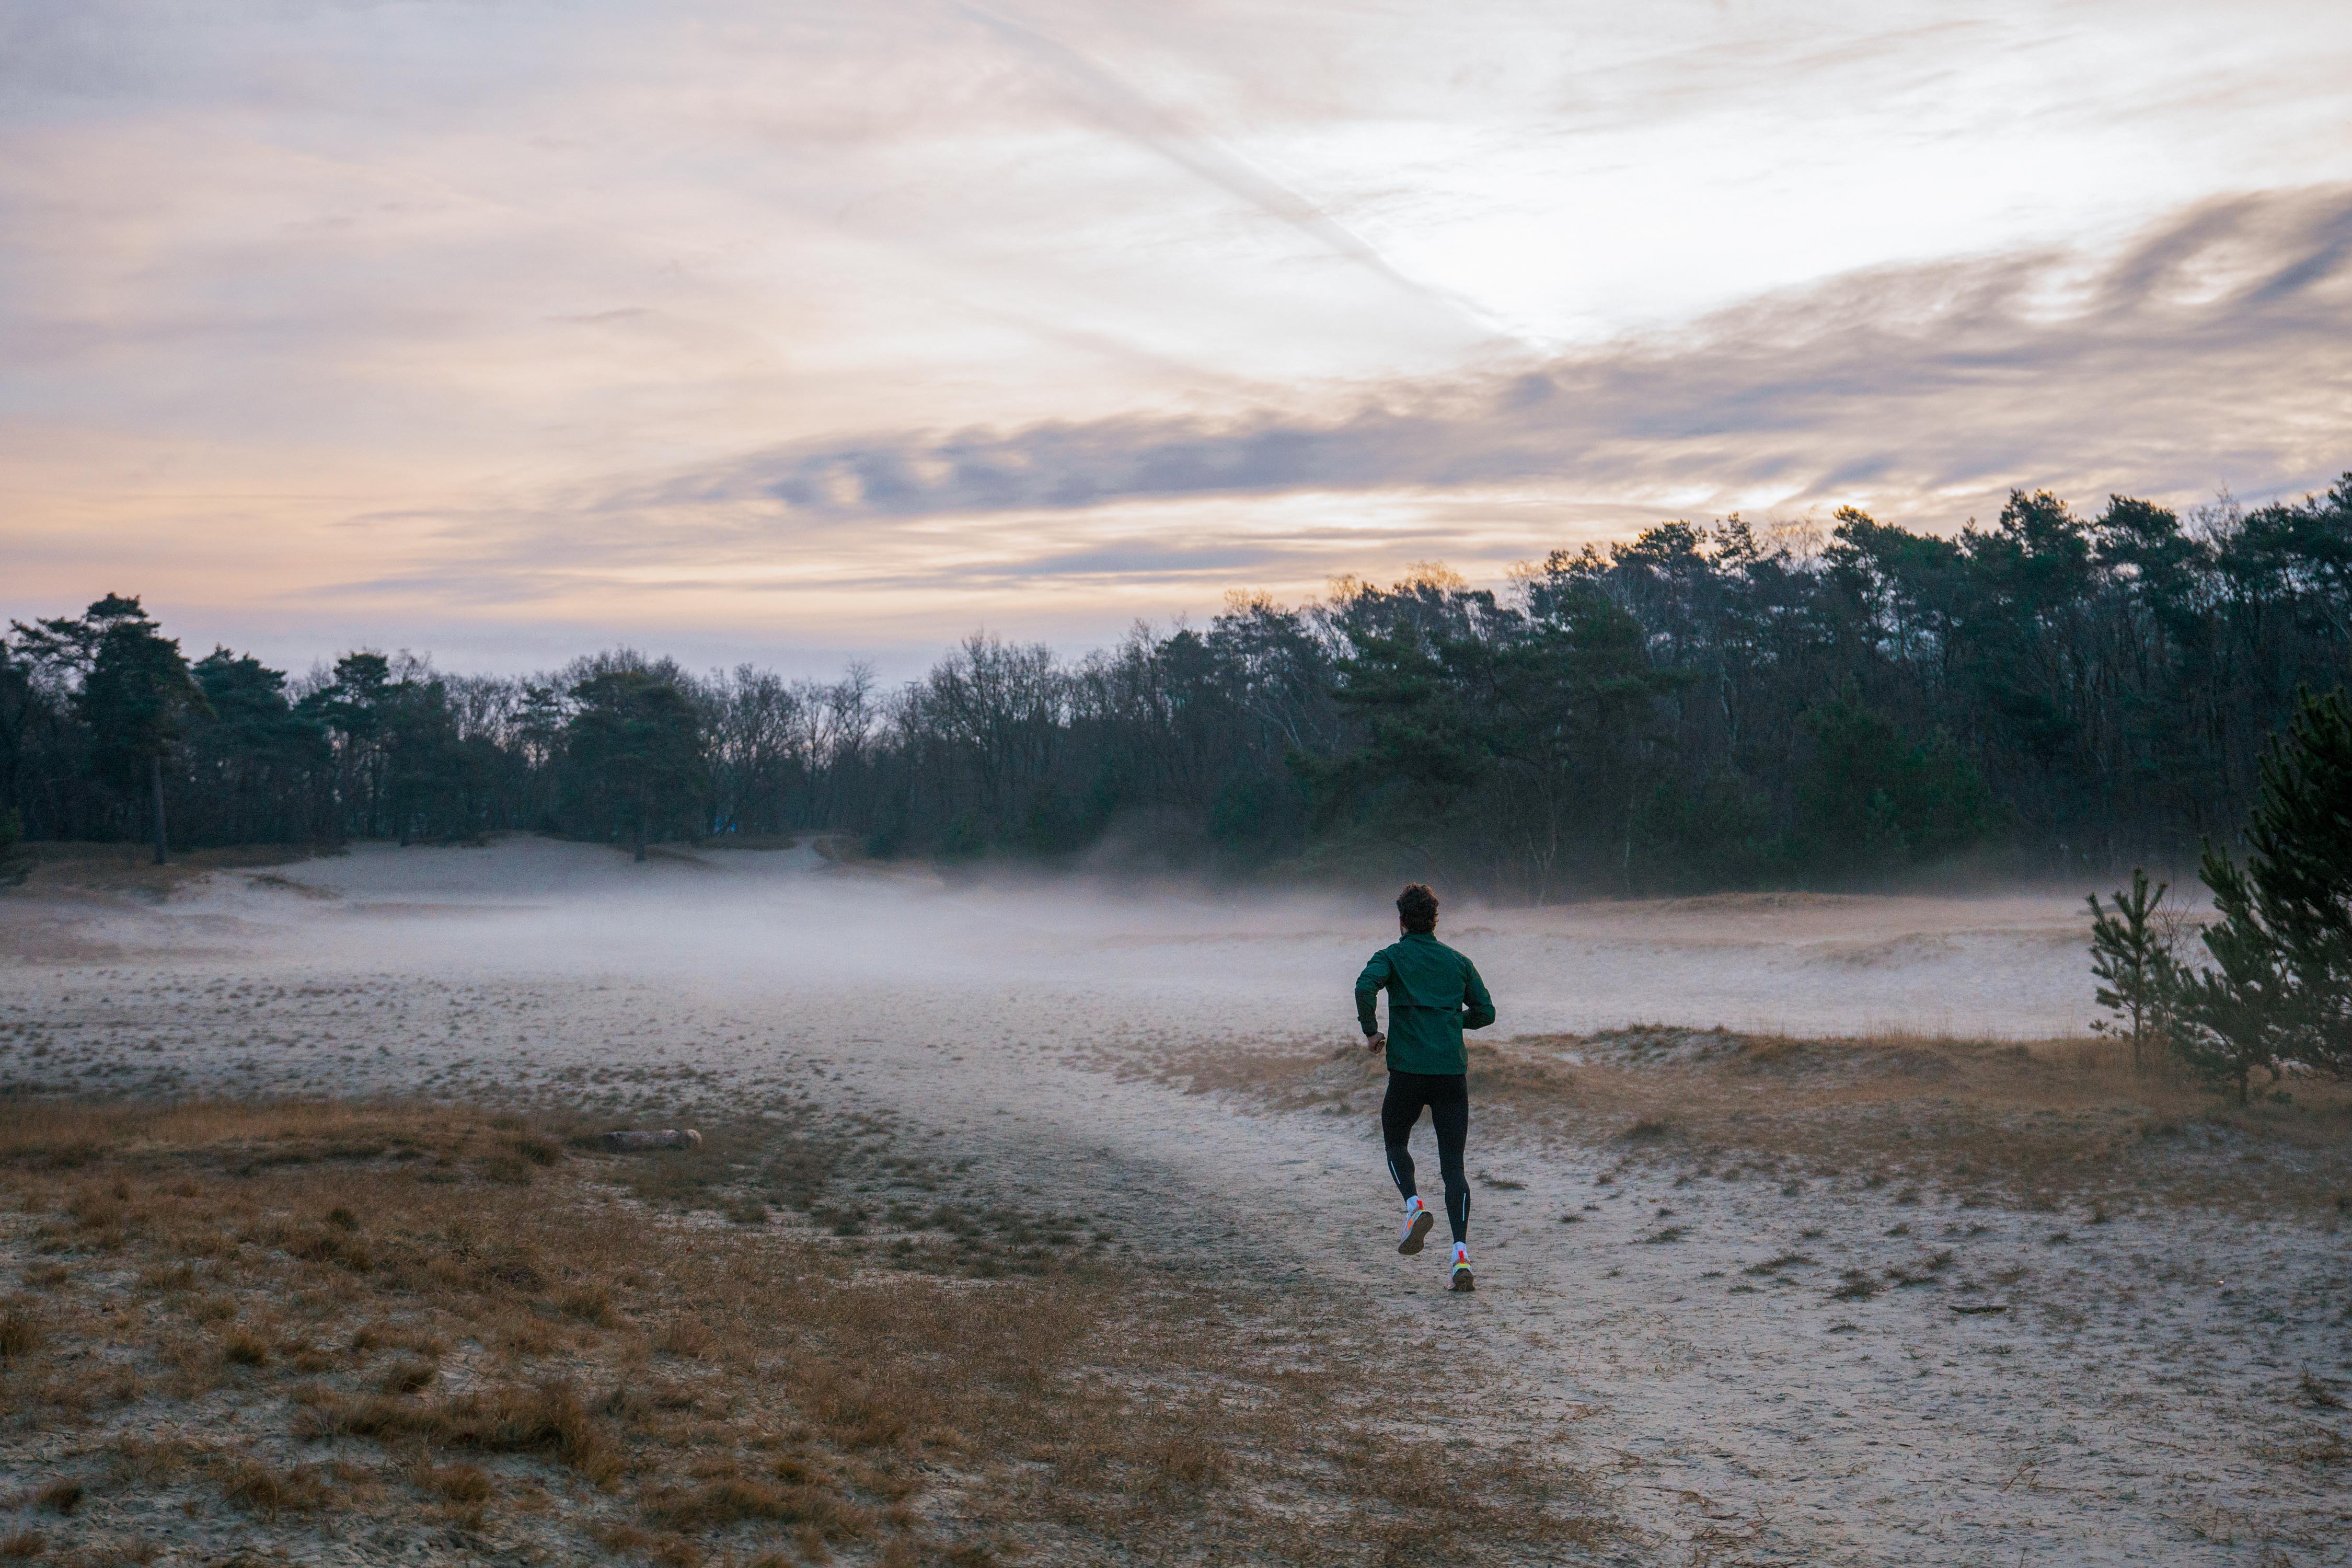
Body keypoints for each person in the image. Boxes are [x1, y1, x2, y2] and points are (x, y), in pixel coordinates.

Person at [1355, 882, 1494, 1292]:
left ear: (1401, 922)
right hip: (1452, 1076)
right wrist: (1450, 1021)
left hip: (1409, 1073)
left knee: (1396, 1140)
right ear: (1435, 920)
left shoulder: (1392, 956)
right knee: (1455, 1167)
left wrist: (1372, 1032)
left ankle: (1414, 1207)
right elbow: (1486, 1012)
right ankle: (1460, 1256)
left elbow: (1365, 987)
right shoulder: (1458, 962)